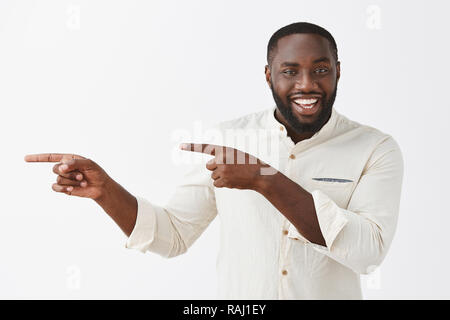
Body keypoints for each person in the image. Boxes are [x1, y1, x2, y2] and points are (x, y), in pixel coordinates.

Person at [25, 22, 403, 299]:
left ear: (338, 72)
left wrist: (264, 178)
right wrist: (106, 191)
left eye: (321, 70)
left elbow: (367, 253)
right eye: (290, 71)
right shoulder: (229, 140)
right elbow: (172, 236)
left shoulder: (375, 148)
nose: (307, 84)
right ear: (269, 76)